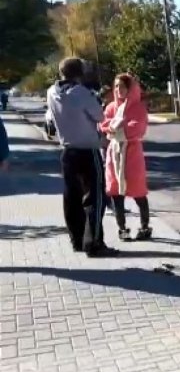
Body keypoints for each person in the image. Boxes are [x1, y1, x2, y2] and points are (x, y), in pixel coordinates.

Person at [46, 57, 118, 257]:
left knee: (72, 198)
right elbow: (100, 117)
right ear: (80, 73)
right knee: (95, 198)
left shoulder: (52, 92)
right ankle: (94, 243)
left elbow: (51, 119)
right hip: (88, 151)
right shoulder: (82, 93)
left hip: (68, 152)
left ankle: (77, 240)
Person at [100, 73, 152, 241]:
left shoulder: (138, 108)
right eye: (116, 86)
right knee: (116, 192)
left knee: (138, 192)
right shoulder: (111, 107)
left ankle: (145, 226)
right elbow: (103, 124)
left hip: (132, 154)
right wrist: (117, 127)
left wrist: (117, 129)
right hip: (114, 153)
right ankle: (122, 227)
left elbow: (136, 128)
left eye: (122, 86)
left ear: (130, 89)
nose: (118, 90)